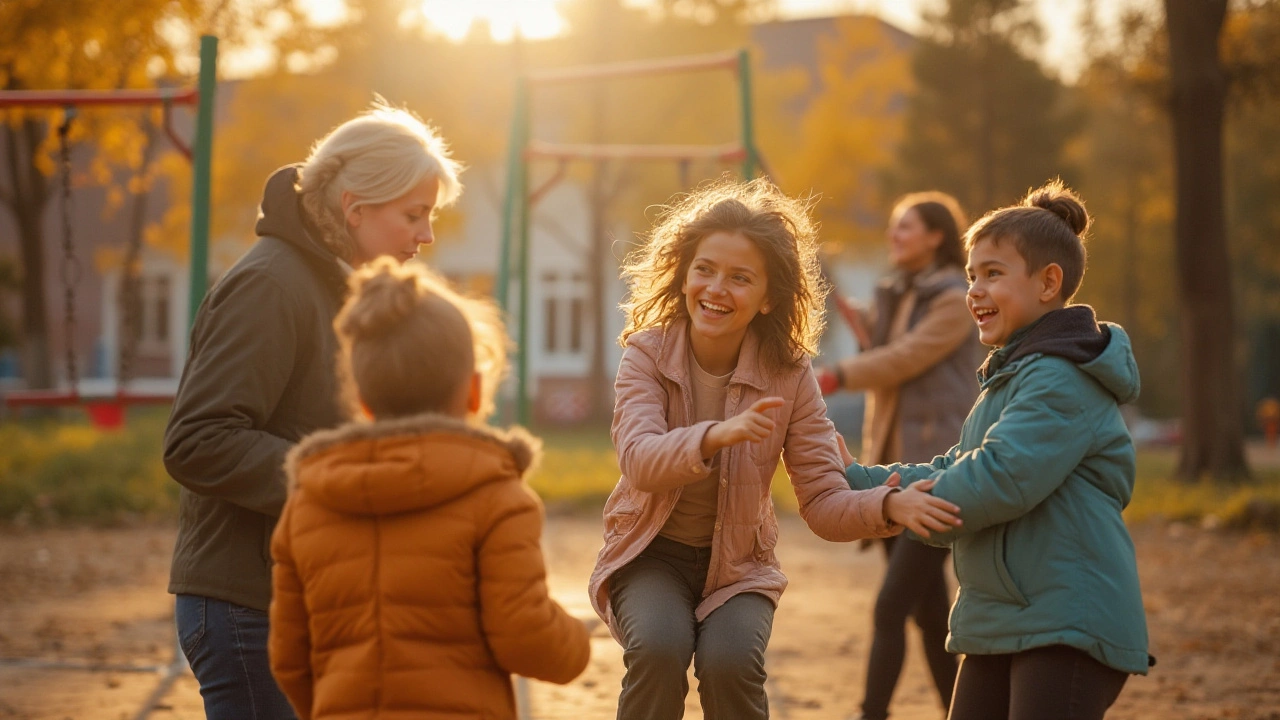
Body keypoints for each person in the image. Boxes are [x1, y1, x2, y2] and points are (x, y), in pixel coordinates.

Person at [588, 177, 964, 720]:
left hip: (740, 566)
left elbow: (822, 499)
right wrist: (717, 435)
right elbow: (641, 463)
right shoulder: (646, 354)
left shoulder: (788, 374)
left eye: (740, 278)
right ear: (684, 273)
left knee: (731, 662)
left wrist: (887, 505)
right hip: (650, 555)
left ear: (767, 299)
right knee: (659, 648)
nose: (717, 288)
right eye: (705, 269)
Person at [163, 100, 462, 719]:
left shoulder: (335, 286)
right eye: (414, 215)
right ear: (355, 208)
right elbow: (197, 440)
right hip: (249, 605)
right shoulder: (272, 285)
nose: (425, 235)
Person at [845, 180, 1152, 720]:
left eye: (992, 274)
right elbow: (954, 466)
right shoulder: (1012, 377)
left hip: (1065, 621)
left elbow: (998, 478)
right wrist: (849, 479)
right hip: (1005, 618)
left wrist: (909, 505)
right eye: (971, 276)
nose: (974, 291)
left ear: (1048, 283)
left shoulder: (1061, 376)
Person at [268, 259, 590, 719]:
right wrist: (575, 640)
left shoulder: (308, 503)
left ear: (361, 398)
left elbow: (289, 656)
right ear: (475, 393)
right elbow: (526, 636)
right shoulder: (497, 498)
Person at [816, 192, 984, 720]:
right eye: (893, 226)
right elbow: (886, 344)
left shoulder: (954, 298)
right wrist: (864, 316)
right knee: (930, 613)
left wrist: (840, 374)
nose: (895, 235)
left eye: (906, 227)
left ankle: (872, 713)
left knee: (892, 606)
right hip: (892, 470)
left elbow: (906, 357)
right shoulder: (900, 292)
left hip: (936, 468)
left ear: (936, 235)